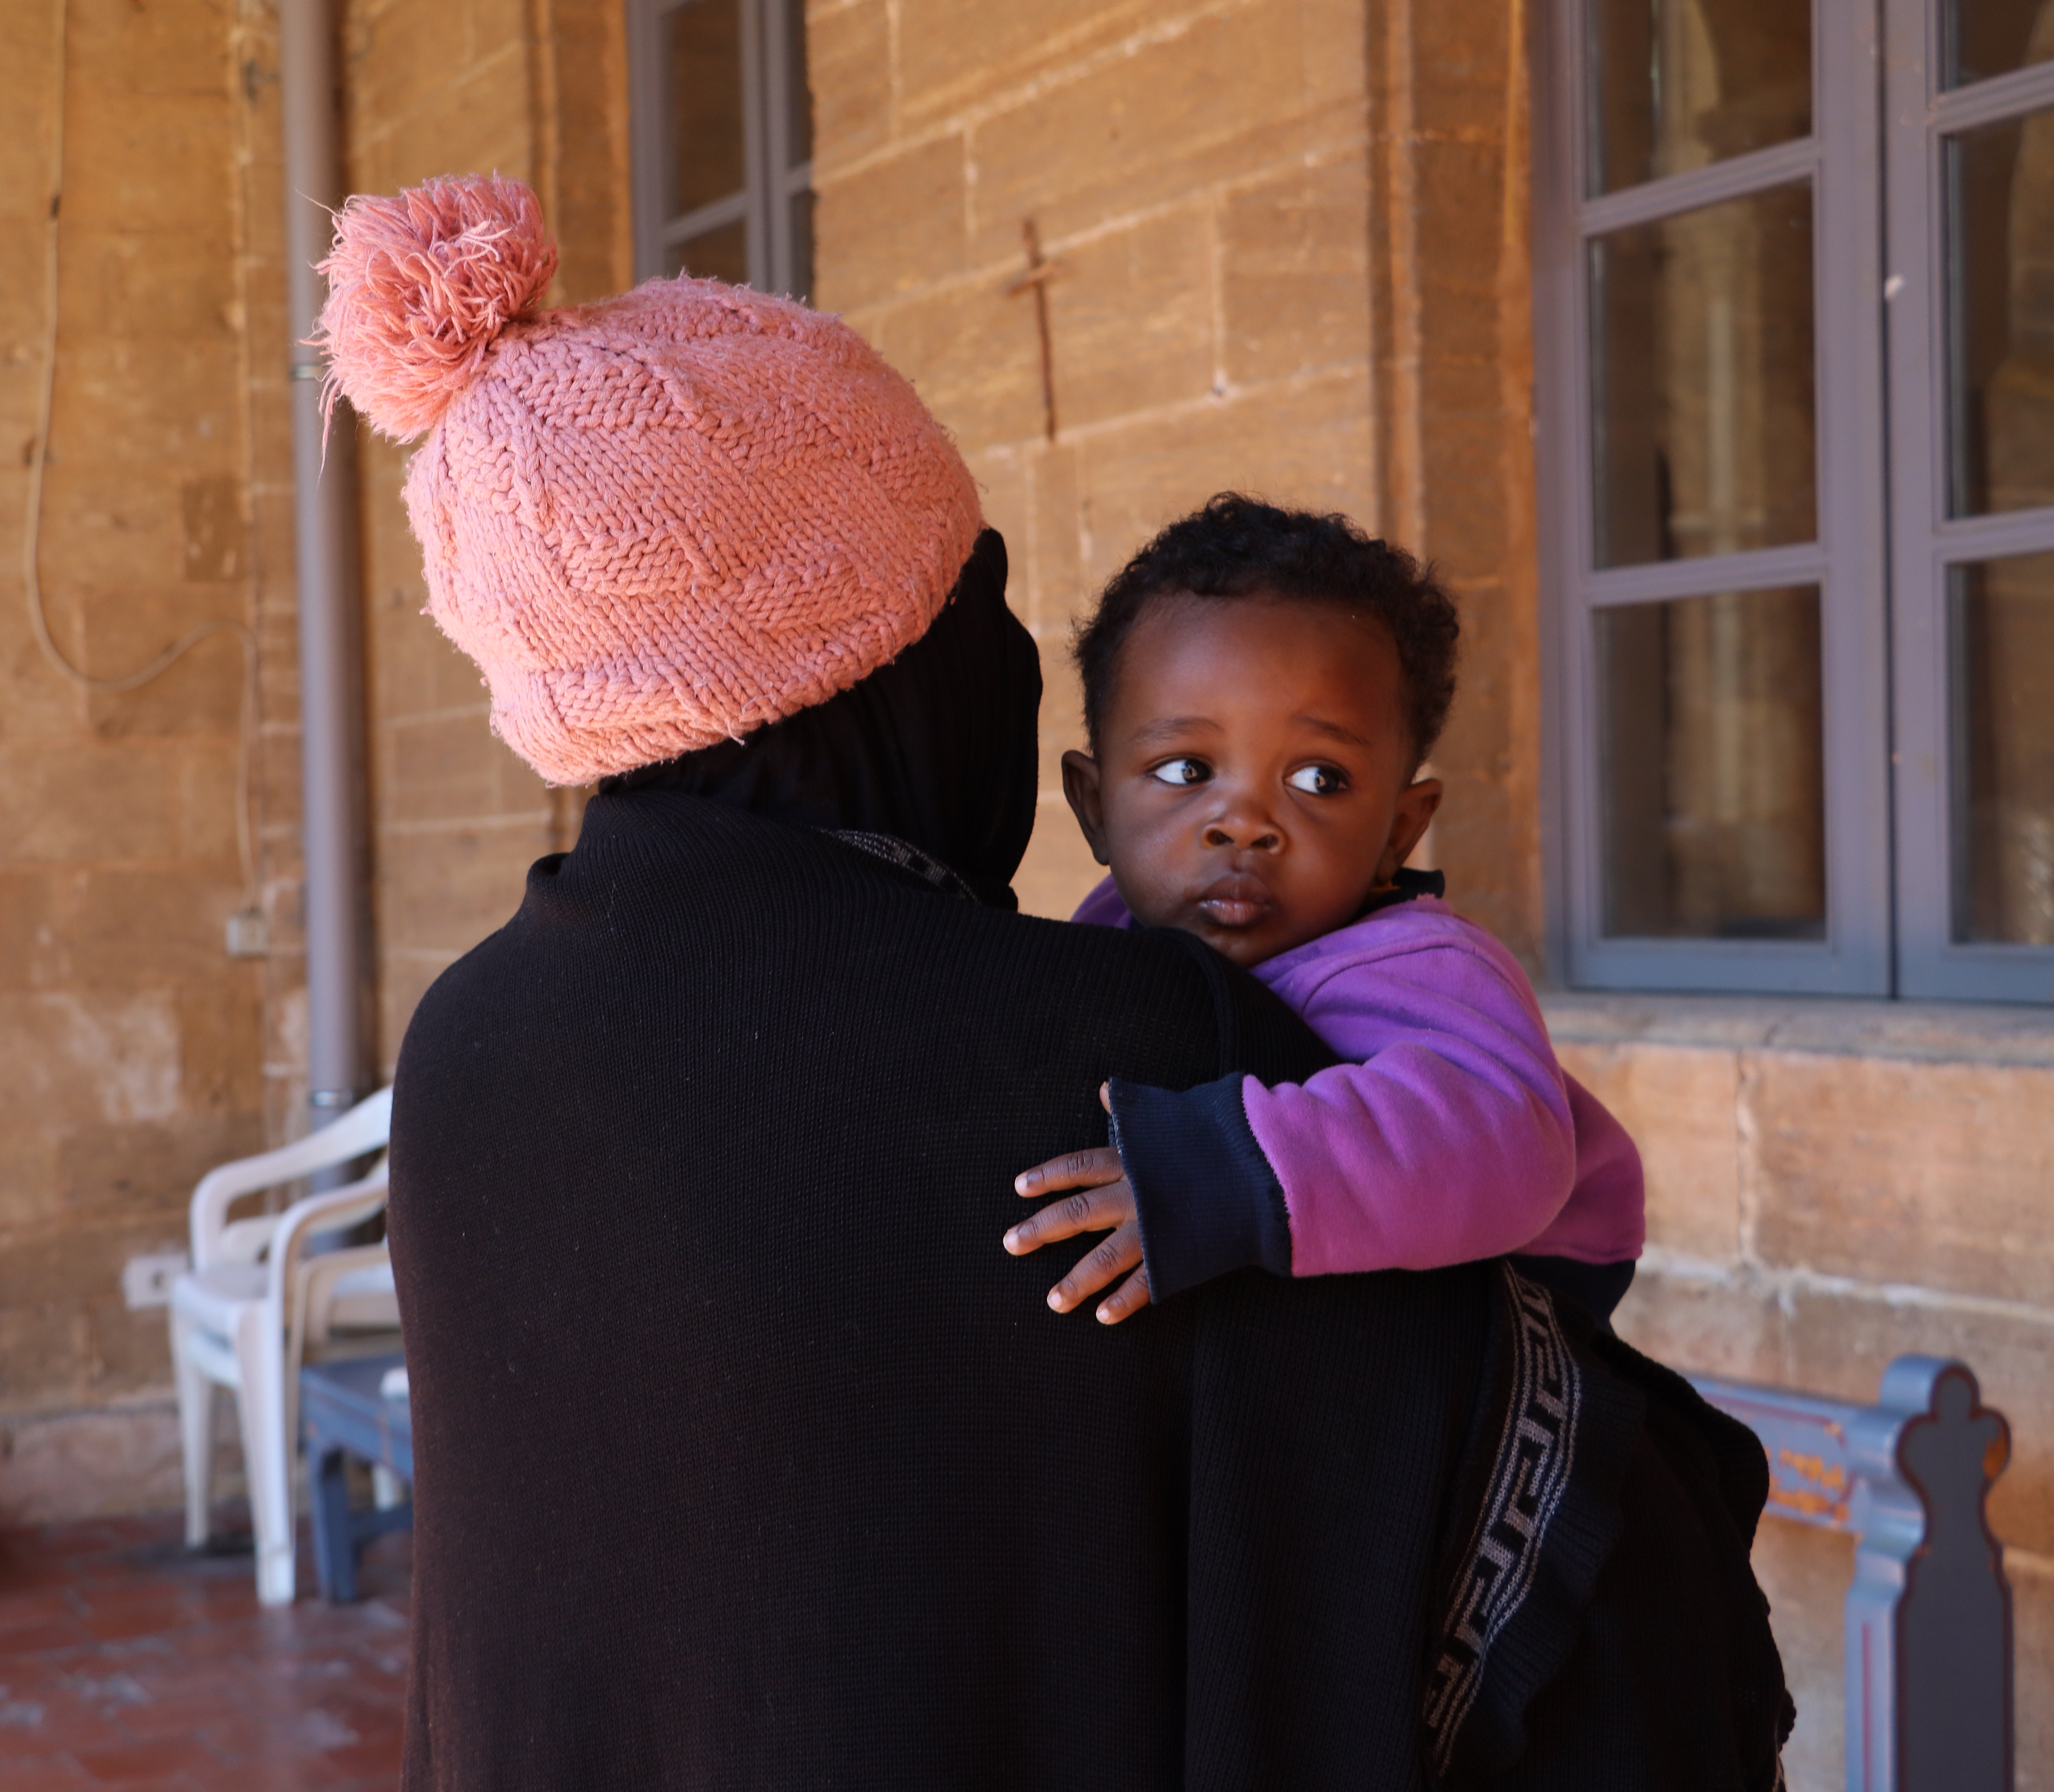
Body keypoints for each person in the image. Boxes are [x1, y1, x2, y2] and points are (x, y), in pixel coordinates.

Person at [318, 172, 1790, 1791]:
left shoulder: (463, 1048)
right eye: (983, 596)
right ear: (874, 666)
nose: (1018, 662)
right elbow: (1596, 1586)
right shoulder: (1142, 1064)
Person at [1005, 497, 1647, 1329]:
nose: (1243, 822)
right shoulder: (1108, 932)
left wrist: (1217, 1169)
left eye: (1319, 780)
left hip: (1531, 1278)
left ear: (1400, 832)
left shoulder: (1418, 962)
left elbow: (1508, 1143)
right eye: (1185, 768)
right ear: (1094, 807)